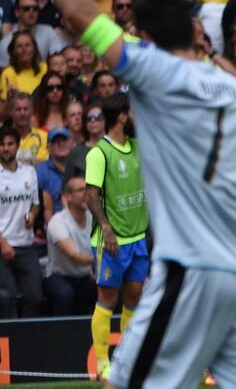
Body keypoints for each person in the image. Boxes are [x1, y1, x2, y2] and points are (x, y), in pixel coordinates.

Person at [30, 0, 236, 384]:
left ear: (144, 36)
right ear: (195, 29)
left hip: (190, 270)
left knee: (123, 382)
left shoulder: (153, 70)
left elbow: (75, 10)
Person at [85, 93, 149, 379]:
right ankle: (101, 363)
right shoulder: (99, 153)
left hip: (138, 236)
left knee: (134, 295)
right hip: (112, 240)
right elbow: (91, 195)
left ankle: (126, 359)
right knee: (107, 298)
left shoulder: (137, 146)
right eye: (131, 112)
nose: (135, 116)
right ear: (121, 116)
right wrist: (106, 227)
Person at [0, 125, 42, 318]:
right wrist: (3, 244)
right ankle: (11, 343)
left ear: (17, 146)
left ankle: (27, 341)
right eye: (2, 144)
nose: (6, 148)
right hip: (2, 245)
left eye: (10, 144)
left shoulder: (29, 172)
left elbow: (35, 204)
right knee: (6, 298)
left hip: (26, 244)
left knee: (35, 296)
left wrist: (32, 215)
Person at [44, 175, 96, 315]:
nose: (87, 194)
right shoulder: (58, 222)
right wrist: (100, 260)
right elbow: (74, 256)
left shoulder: (94, 218)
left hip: (84, 276)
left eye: (88, 190)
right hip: (58, 276)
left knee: (108, 288)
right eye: (81, 190)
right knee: (65, 294)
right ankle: (59, 336)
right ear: (68, 197)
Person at [36, 127, 72, 222]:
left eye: (64, 140)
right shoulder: (39, 172)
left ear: (72, 144)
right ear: (48, 148)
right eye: (56, 141)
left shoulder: (80, 168)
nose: (61, 144)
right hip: (50, 225)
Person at [1, 31, 47, 103]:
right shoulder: (8, 73)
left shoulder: (45, 68)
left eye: (27, 45)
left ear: (34, 49)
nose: (24, 49)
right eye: (19, 46)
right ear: (14, 51)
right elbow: (4, 105)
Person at [63, 103, 105, 183]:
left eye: (98, 117)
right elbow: (66, 187)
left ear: (106, 120)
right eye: (89, 118)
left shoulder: (114, 146)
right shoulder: (76, 152)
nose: (93, 120)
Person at [9, 93, 48, 164]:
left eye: (26, 109)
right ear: (11, 112)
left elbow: (44, 163)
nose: (22, 113)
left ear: (32, 111)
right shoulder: (2, 137)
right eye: (18, 109)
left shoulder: (44, 137)